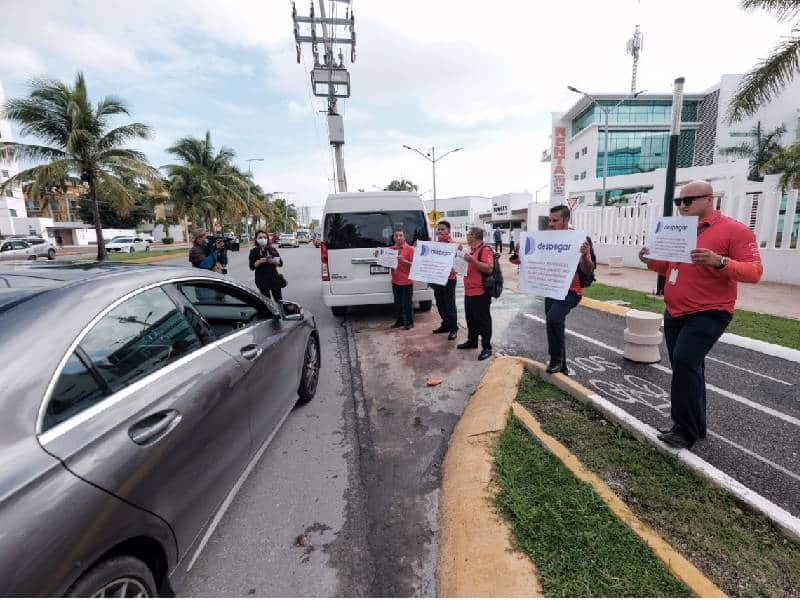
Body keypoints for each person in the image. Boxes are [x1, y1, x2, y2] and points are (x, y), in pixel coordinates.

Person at [639, 180, 762, 449]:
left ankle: (684, 430)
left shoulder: (734, 231)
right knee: (688, 367)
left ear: (709, 199)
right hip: (675, 311)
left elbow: (754, 272)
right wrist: (650, 261)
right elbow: (670, 266)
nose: (682, 206)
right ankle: (696, 425)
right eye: (679, 202)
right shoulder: (680, 230)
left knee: (684, 361)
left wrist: (720, 262)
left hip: (710, 311)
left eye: (688, 200)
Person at [544, 205, 596, 375]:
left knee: (553, 320)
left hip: (571, 291)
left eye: (555, 220)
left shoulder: (579, 239)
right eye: (549, 220)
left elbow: (588, 269)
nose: (551, 224)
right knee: (555, 325)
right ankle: (562, 366)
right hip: (551, 290)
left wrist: (584, 255)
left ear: (566, 220)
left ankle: (556, 359)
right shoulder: (546, 238)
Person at [457, 227, 495, 361]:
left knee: (483, 320)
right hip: (469, 291)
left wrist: (472, 260)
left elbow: (489, 268)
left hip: (481, 292)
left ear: (474, 236)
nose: (467, 236)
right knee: (471, 319)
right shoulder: (472, 251)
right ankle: (472, 341)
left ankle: (487, 347)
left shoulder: (485, 250)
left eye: (468, 234)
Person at [431, 220, 459, 340]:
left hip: (449, 279)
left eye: (443, 229)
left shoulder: (454, 245)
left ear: (448, 231)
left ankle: (453, 328)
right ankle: (446, 324)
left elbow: (459, 264)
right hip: (437, 279)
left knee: (450, 305)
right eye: (439, 229)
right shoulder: (435, 244)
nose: (440, 231)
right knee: (440, 303)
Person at [389, 229, 415, 330]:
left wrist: (404, 261)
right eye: (396, 236)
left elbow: (415, 265)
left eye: (401, 235)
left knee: (407, 303)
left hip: (406, 281)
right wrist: (378, 255)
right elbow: (385, 262)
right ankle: (399, 321)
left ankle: (409, 322)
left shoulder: (410, 249)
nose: (398, 237)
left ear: (404, 237)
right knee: (397, 302)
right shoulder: (391, 249)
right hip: (395, 281)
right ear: (393, 238)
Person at [249, 229, 284, 301]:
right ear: (256, 239)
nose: (263, 239)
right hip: (261, 280)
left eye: (265, 237)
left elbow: (281, 263)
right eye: (260, 237)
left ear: (267, 239)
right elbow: (252, 267)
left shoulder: (272, 249)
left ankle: (281, 311)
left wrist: (273, 261)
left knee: (279, 300)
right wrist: (260, 261)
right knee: (266, 301)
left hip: (274, 278)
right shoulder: (254, 251)